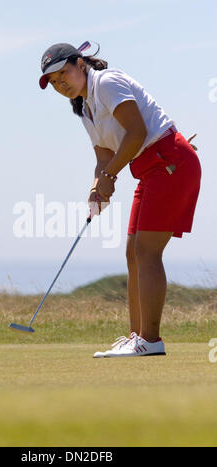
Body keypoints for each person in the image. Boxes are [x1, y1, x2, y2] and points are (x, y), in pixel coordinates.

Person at [39, 41, 202, 358]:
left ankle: (150, 341)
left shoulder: (107, 82)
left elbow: (137, 133)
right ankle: (137, 337)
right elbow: (104, 156)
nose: (61, 84)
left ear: (80, 63)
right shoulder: (85, 109)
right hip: (150, 169)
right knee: (133, 253)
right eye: (55, 82)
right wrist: (97, 185)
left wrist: (110, 176)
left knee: (146, 251)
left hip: (169, 162)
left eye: (63, 74)